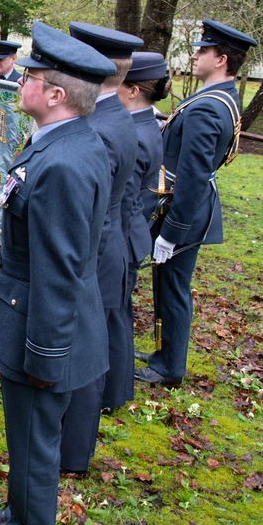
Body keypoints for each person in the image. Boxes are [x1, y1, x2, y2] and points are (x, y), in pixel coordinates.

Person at [0, 22, 113, 525]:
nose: (20, 79)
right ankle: (20, 510)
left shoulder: (65, 163)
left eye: (29, 74)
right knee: (27, 434)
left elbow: (61, 268)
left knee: (35, 436)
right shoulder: (63, 142)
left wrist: (45, 354)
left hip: (42, 324)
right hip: (33, 313)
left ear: (54, 94)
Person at [135, 20, 257, 385]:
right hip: (188, 208)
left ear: (220, 59)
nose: (195, 54)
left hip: (180, 211)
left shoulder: (207, 107)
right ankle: (163, 354)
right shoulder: (221, 96)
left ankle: (168, 367)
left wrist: (171, 234)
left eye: (202, 50)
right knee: (169, 285)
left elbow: (191, 177)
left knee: (171, 289)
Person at [58, 22, 141, 475]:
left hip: (96, 250)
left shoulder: (102, 129)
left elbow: (84, 203)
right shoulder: (114, 115)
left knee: (83, 355)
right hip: (106, 242)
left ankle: (72, 454)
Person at [110, 52, 165, 404]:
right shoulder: (145, 124)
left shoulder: (138, 134)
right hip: (131, 235)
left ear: (132, 91)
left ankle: (112, 392)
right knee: (117, 314)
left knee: (113, 318)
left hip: (123, 237)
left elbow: (123, 200)